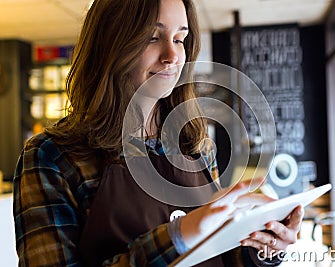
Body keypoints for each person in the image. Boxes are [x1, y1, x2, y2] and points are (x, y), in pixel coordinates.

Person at [13, 0, 303, 266]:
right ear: (110, 43)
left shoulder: (196, 145)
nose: (173, 55)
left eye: (179, 39)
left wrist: (263, 247)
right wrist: (180, 235)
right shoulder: (52, 156)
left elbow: (218, 255)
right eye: (153, 37)